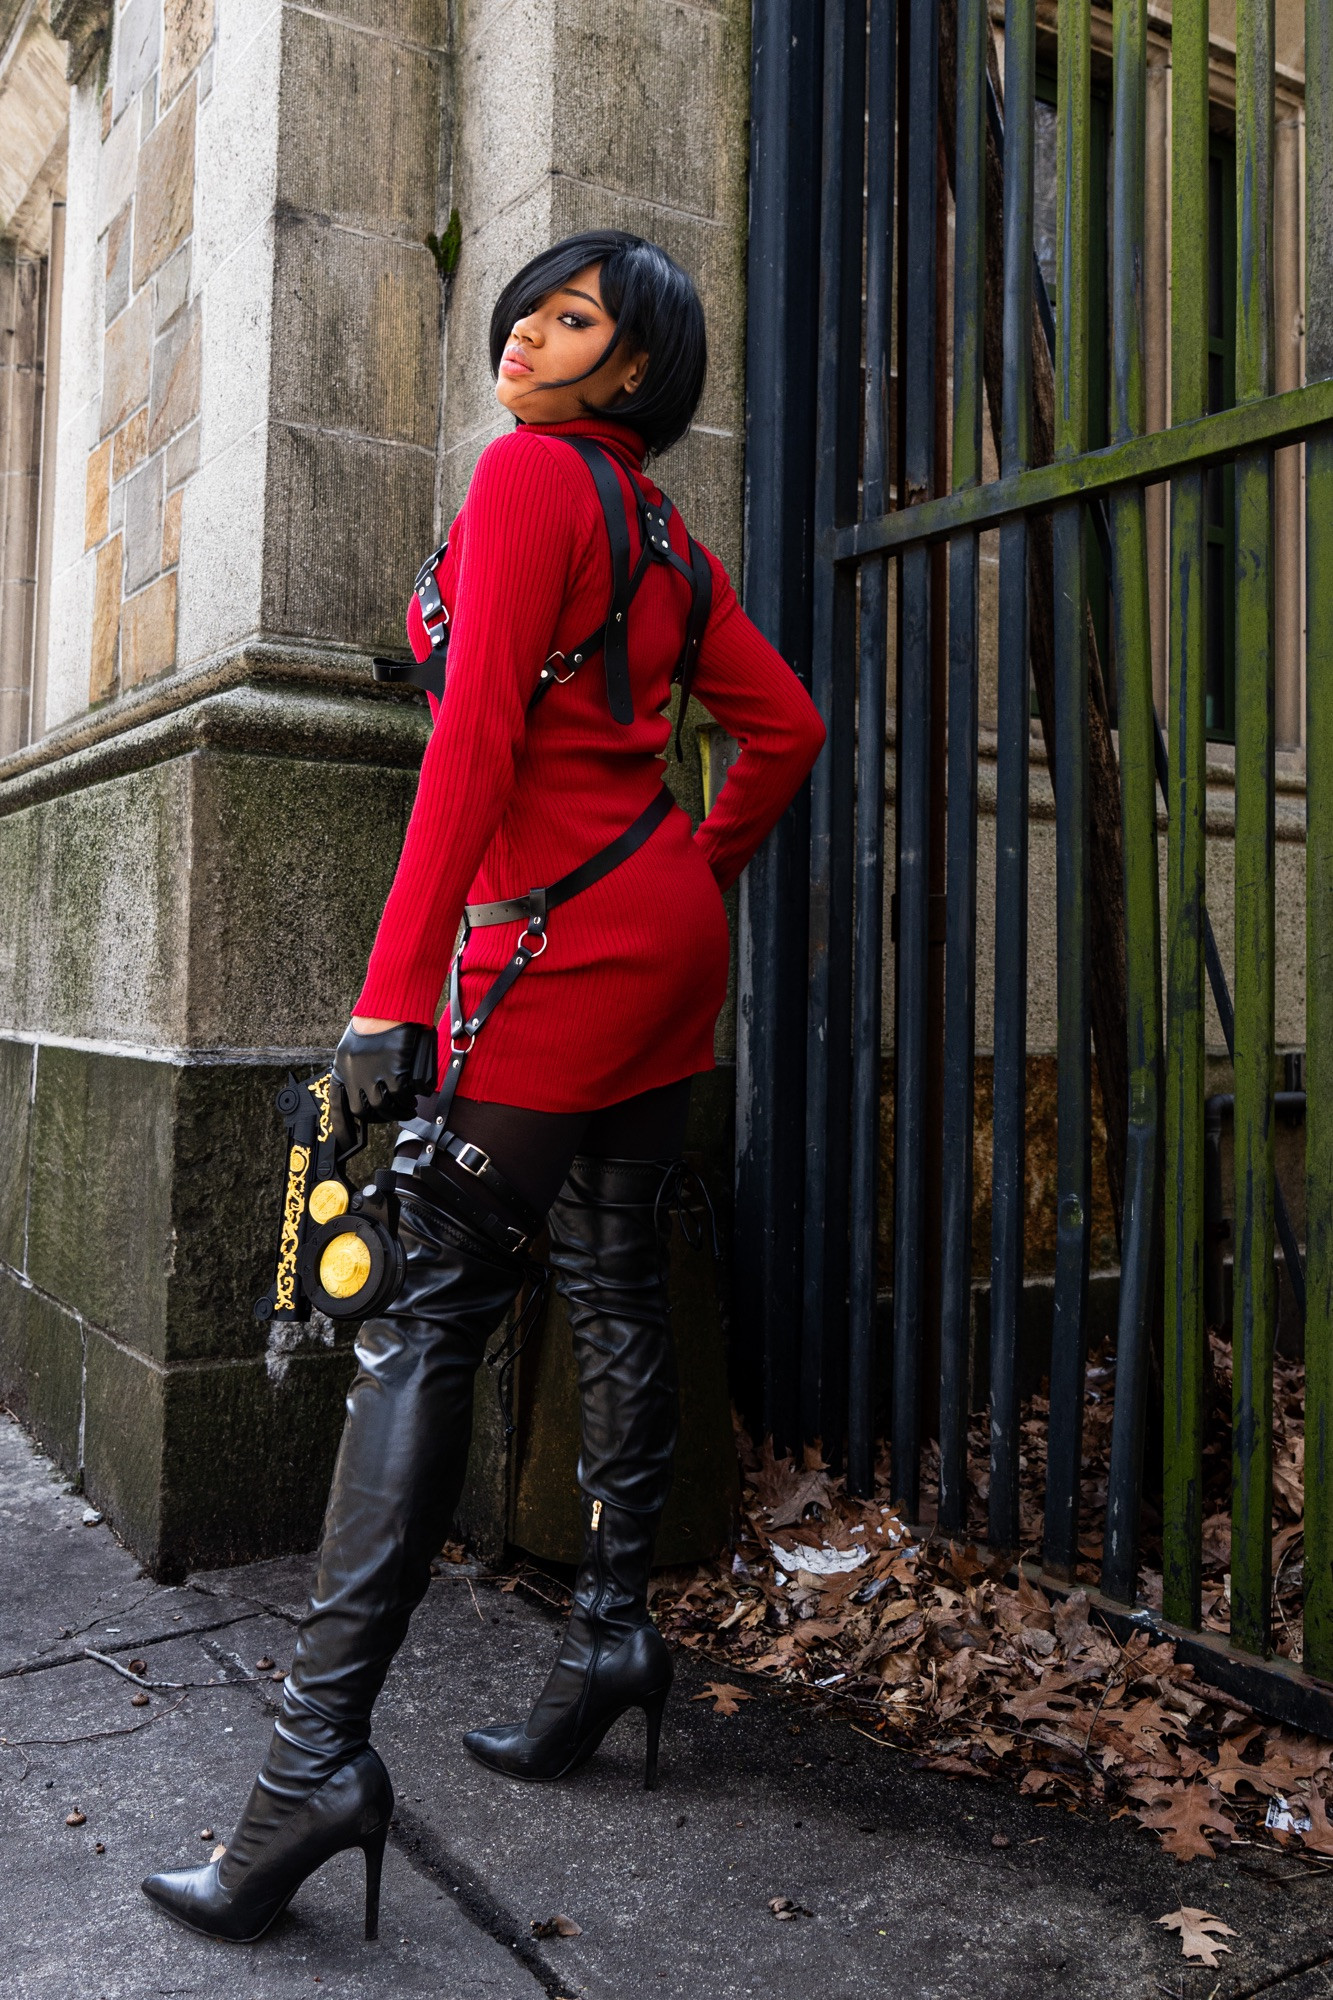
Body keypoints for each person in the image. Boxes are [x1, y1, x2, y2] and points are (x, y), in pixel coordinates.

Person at [141, 229, 824, 1945]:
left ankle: (309, 1773)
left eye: (576, 316)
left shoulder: (532, 482)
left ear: (637, 368)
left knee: (418, 1321)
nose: (528, 328)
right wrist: (689, 866)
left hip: (560, 949)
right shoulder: (670, 536)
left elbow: (473, 749)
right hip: (652, 932)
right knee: (602, 1272)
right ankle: (610, 1636)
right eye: (527, 304)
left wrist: (392, 990)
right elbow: (785, 728)